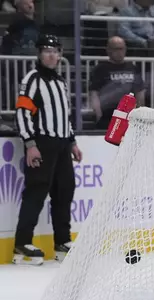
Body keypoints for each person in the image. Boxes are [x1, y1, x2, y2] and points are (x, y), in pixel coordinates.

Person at [13, 34, 83, 266]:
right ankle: (22, 243)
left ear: (61, 55)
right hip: (42, 142)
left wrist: (72, 142)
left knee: (64, 191)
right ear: (39, 54)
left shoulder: (60, 82)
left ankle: (62, 242)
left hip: (62, 144)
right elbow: (22, 113)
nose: (52, 55)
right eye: (47, 51)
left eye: (56, 51)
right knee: (36, 191)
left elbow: (64, 116)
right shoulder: (32, 79)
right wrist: (30, 144)